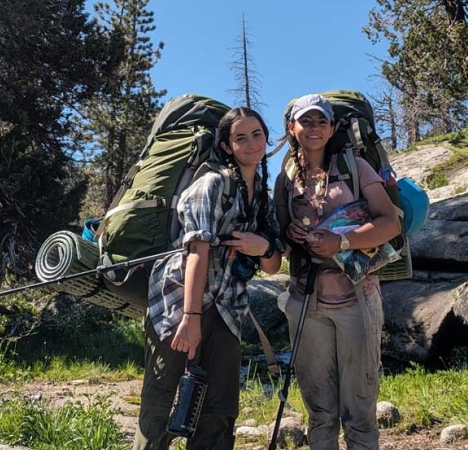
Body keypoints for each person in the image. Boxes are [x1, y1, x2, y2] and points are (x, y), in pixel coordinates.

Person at [134, 107, 283, 450]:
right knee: (161, 402)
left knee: (219, 410)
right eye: (240, 137)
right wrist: (190, 319)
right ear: (228, 146)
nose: (250, 143)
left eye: (256, 134)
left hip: (229, 309)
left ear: (266, 138)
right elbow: (197, 252)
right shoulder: (211, 183)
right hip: (179, 302)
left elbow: (274, 265)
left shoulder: (260, 196)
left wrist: (261, 246)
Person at [273, 94, 400, 450]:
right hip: (306, 299)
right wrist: (291, 234)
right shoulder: (285, 178)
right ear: (291, 128)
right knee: (320, 410)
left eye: (321, 122)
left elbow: (390, 223)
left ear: (331, 129)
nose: (314, 128)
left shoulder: (355, 166)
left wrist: (341, 243)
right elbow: (280, 237)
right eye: (306, 121)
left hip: (357, 297)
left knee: (360, 410)